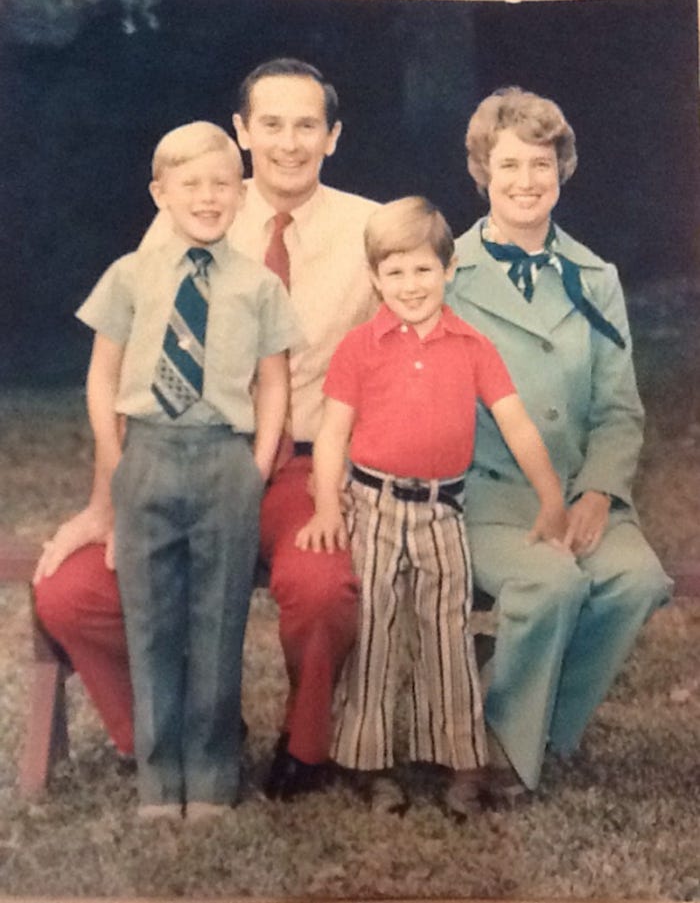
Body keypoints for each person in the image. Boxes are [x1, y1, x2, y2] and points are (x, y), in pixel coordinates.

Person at [33, 59, 379, 799]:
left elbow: (408, 344)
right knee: (70, 594)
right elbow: (130, 372)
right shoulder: (191, 206)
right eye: (272, 124)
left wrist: (354, 483)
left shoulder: (370, 229)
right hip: (183, 461)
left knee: (322, 587)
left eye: (308, 125)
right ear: (242, 130)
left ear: (334, 136)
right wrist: (106, 502)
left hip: (302, 467)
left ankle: (307, 746)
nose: (289, 143)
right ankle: (181, 731)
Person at [295, 196, 568, 816]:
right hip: (374, 506)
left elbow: (518, 424)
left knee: (447, 635)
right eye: (395, 272)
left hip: (443, 512)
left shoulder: (472, 346)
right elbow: (333, 434)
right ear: (374, 279)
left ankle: (460, 764)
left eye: (423, 270)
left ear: (448, 271)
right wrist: (327, 508)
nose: (410, 285)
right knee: (377, 634)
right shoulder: (359, 347)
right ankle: (369, 763)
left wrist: (551, 498)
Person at [446, 87, 672, 797]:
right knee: (549, 582)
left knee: (637, 579)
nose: (525, 182)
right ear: (483, 170)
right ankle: (504, 754)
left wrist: (599, 492)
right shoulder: (445, 274)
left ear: (561, 169)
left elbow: (618, 408)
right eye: (509, 164)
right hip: (487, 497)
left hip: (579, 491)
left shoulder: (594, 278)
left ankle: (539, 725)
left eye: (540, 164)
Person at [74, 121, 299, 820]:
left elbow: (275, 383)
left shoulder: (258, 286)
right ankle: (156, 780)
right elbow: (101, 375)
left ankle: (209, 778)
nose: (207, 197)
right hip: (147, 453)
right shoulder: (130, 275)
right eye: (191, 184)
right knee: (151, 622)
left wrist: (256, 465)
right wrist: (117, 463)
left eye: (222, 184)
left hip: (224, 460)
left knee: (218, 621)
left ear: (242, 192)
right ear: (160, 192)